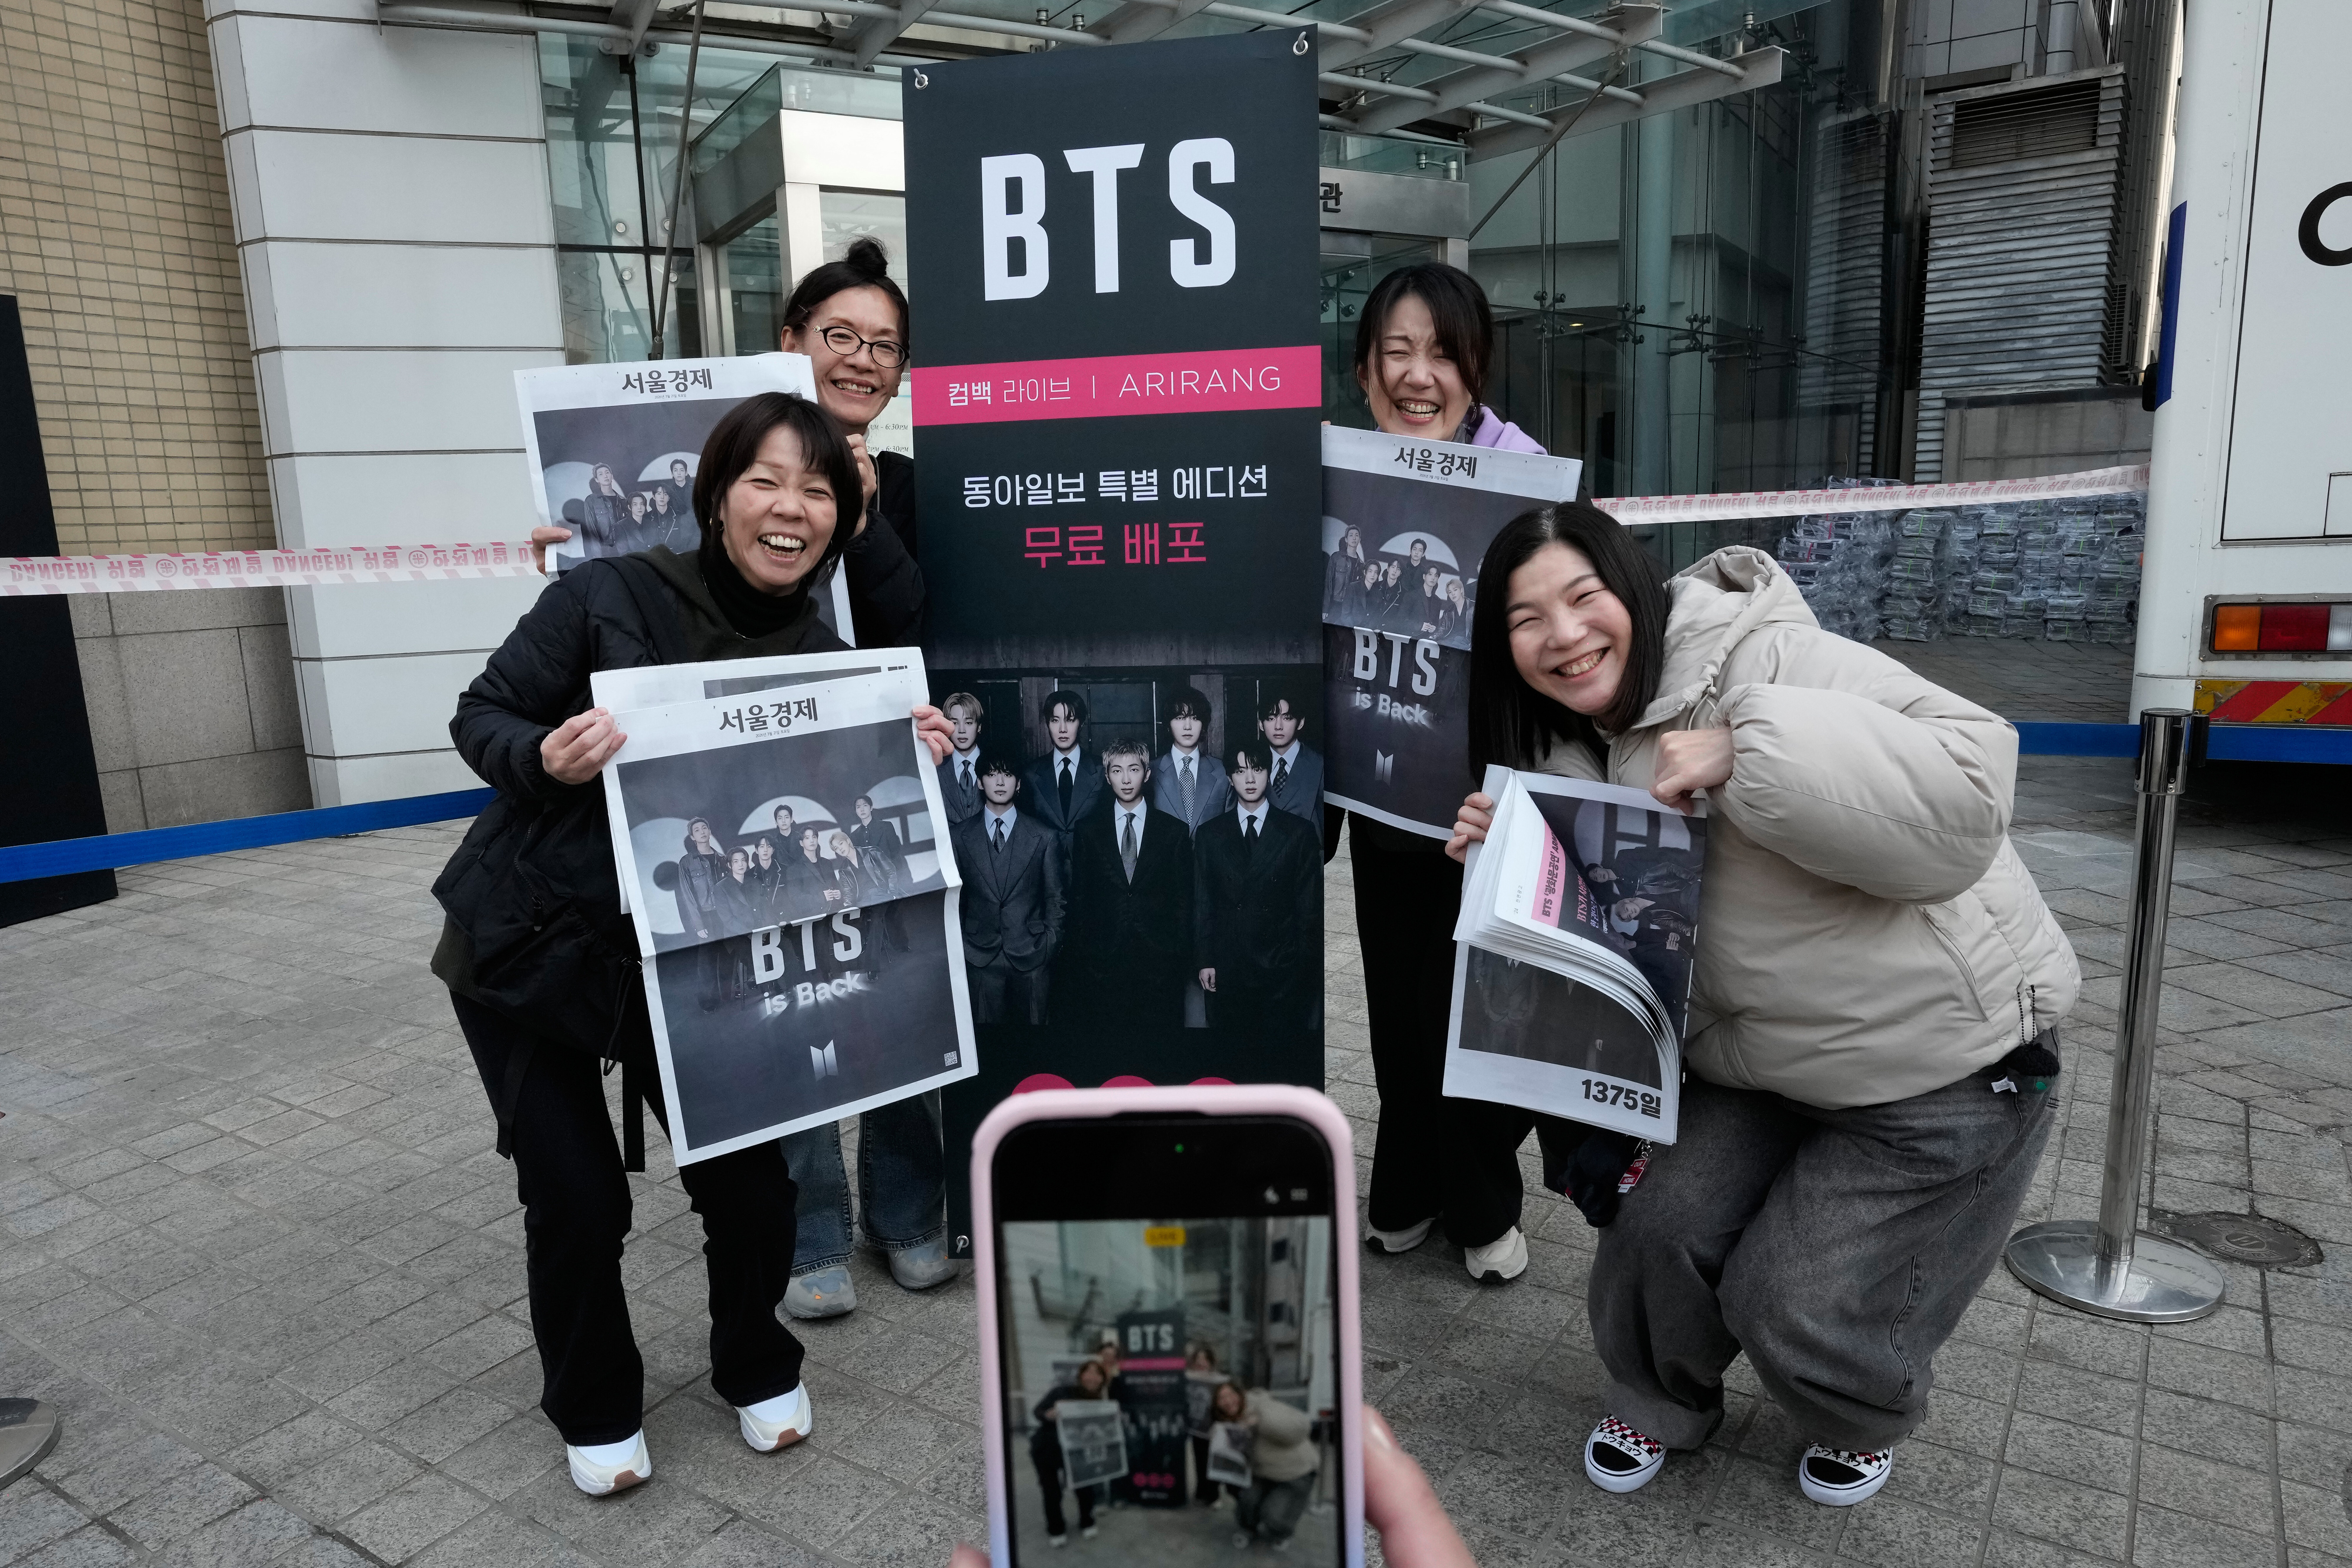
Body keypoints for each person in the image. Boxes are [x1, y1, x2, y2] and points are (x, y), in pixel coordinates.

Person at [1446, 503, 2078, 1506]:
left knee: (1791, 1294)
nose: (1562, 635)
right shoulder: (1560, 754)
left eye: (1582, 597)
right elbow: (1598, 966)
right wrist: (1505, 855)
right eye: (1527, 620)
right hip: (1755, 1065)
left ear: (1635, 590)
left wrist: (1753, 748)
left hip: (1938, 1064)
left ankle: (1857, 1406)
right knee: (1656, 1227)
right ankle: (1660, 1397)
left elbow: (1974, 779)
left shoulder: (1768, 656)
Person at [430, 390, 952, 1496]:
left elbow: (835, 815)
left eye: (818, 489)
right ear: (717, 496)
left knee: (755, 1189)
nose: (791, 506)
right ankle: (593, 1401)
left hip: (696, 967)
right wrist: (544, 757)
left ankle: (754, 1359)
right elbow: (481, 714)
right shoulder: (604, 593)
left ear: (838, 519)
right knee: (576, 1196)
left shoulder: (823, 652)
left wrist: (898, 746)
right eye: (765, 479)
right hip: (533, 946)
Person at [1345, 262, 1552, 1287]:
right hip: (1382, 794)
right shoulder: (1339, 478)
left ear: (1475, 367)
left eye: (1442, 352)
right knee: (1397, 1000)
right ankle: (1405, 1184)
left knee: (1472, 999)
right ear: (1365, 368)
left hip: (1490, 799)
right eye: (1398, 351)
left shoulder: (1527, 480)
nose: (1419, 375)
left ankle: (1480, 1198)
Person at [948, 1406, 1474, 1568]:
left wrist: (1256, 1417)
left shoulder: (1264, 1406)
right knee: (1246, 1509)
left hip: (1292, 1474)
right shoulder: (1221, 1418)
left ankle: (1275, 1525)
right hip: (1254, 1473)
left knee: (1269, 1518)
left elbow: (1294, 1430)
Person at [781, 236, 923, 647]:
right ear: (791, 345)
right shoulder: (726, 477)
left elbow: (917, 635)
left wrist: (861, 527)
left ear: (899, 378)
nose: (863, 360)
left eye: (885, 346)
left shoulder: (915, 497)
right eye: (841, 336)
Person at [1058, 738, 1193, 1026]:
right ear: (1107, 777)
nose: (1126, 779)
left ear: (1147, 774)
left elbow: (1183, 900)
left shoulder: (1174, 832)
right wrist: (1088, 954)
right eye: (1117, 771)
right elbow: (1080, 898)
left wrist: (1173, 952)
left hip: (1159, 963)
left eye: (1133, 769)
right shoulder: (1088, 831)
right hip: (1103, 963)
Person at [1192, 745, 1319, 1033]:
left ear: (1270, 773)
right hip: (1228, 966)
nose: (1249, 779)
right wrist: (1205, 960)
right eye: (1240, 771)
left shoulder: (1298, 832)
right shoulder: (1210, 834)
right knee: (1231, 1061)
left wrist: (1300, 968)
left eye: (1257, 769)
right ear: (1229, 778)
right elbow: (1203, 903)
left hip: (1280, 969)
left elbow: (1308, 910)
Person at [948, 757, 1064, 1025]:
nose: (1000, 782)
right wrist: (964, 948)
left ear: (1019, 784)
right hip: (980, 957)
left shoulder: (1044, 836)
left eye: (1008, 774)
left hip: (1033, 955)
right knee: (990, 1053)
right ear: (979, 782)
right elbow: (956, 901)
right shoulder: (959, 836)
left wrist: (1049, 944)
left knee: (1037, 1052)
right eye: (991, 774)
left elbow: (1056, 898)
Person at [1215, 1381, 1319, 1552]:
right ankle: (1249, 1529)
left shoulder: (1261, 1406)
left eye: (1230, 1395)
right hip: (1261, 1473)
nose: (1227, 1401)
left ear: (1240, 1394)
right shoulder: (1226, 1421)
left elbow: (1302, 1428)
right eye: (1221, 1398)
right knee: (1247, 1501)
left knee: (1274, 1516)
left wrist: (1261, 1422)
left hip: (1294, 1472)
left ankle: (1281, 1532)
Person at [1031, 1358, 1112, 1546]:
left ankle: (1087, 1521)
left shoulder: (1099, 1402)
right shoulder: (1062, 1392)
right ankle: (1056, 1528)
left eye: (1098, 1374)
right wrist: (1048, 1415)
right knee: (1052, 1492)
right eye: (1088, 1372)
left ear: (1102, 1380)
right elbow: (1037, 1411)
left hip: (1077, 1452)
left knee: (1085, 1488)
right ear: (1081, 1375)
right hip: (1047, 1449)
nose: (1093, 1377)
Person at [1021, 689, 1103, 865]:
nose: (1063, 729)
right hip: (1046, 868)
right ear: (1047, 724)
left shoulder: (1102, 770)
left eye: (1070, 720)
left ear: (1081, 724)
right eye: (1055, 721)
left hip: (1093, 867)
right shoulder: (1031, 774)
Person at [1151, 688, 1230, 835]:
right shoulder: (1151, 771)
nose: (1188, 726)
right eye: (1180, 718)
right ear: (1169, 725)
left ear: (1204, 724)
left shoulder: (1222, 772)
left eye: (1195, 718)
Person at [1256, 688, 1322, 826]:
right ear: (1261, 725)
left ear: (1301, 723)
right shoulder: (1252, 765)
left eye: (1287, 718)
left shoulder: (1319, 765)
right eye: (1271, 719)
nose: (1278, 727)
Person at [937, 691, 987, 826]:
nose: (962, 730)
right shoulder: (936, 768)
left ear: (979, 727)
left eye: (969, 723)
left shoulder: (994, 765)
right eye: (955, 723)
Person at [578, 464, 628, 550]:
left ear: (612, 476)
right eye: (601, 474)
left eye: (607, 473)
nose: (605, 476)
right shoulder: (591, 501)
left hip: (624, 549)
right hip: (605, 550)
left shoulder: (623, 500)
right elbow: (591, 531)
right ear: (597, 480)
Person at [1324, 524, 1365, 620]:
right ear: (1346, 539)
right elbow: (1329, 584)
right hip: (1335, 605)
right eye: (1351, 535)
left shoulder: (1362, 565)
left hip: (1350, 609)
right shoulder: (1336, 558)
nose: (1354, 538)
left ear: (1360, 540)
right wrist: (1325, 608)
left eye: (1357, 536)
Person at [1436, 576, 1469, 647]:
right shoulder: (1448, 611)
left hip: (1466, 643)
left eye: (1455, 590)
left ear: (1462, 590)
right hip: (1451, 641)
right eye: (1450, 592)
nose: (1453, 594)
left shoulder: (1473, 607)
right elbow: (1442, 630)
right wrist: (1431, 639)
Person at [661, 456, 694, 524]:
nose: (679, 473)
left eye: (682, 470)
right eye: (676, 471)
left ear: (686, 473)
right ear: (672, 474)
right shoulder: (669, 492)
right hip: (676, 525)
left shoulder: (694, 490)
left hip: (693, 525)